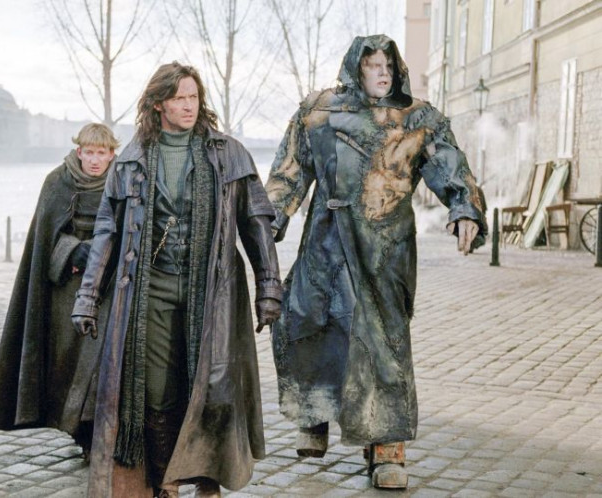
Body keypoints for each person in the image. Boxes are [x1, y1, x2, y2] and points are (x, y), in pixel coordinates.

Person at [265, 34, 487, 489]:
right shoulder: (318, 112)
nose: (382, 73)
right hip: (325, 241)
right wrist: (267, 223)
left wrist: (464, 208)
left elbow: (449, 164)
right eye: (372, 65)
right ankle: (315, 414)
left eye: (388, 64)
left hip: (385, 248)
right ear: (356, 67)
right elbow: (289, 173)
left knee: (383, 341)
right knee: (306, 320)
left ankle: (388, 446)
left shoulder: (417, 117)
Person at [71, 62, 282, 498]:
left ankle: (208, 478)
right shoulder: (130, 160)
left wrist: (269, 288)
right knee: (155, 391)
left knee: (213, 386)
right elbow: (107, 232)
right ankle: (164, 480)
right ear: (158, 104)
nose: (189, 106)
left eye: (194, 97)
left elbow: (256, 221)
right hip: (152, 290)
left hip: (214, 290)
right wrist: (87, 295)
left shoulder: (229, 153)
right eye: (179, 98)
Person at [0, 123, 119, 460]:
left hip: (107, 286)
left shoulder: (122, 182)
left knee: (98, 362)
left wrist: (102, 255)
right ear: (79, 151)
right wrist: (72, 251)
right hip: (65, 288)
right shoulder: (57, 182)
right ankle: (75, 429)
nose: (95, 160)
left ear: (111, 154)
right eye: (89, 152)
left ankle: (93, 434)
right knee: (66, 362)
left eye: (101, 153)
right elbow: (44, 239)